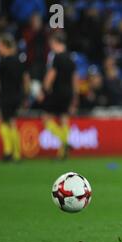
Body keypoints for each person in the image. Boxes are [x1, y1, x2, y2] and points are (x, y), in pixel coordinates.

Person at [0, 33, 30, 162]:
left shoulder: (1, 61)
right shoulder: (19, 60)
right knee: (12, 122)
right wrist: (26, 96)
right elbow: (26, 79)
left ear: (4, 46)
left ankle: (8, 151)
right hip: (17, 96)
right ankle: (16, 154)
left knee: (1, 119)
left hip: (5, 95)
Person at [37, 31, 78, 159]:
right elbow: (75, 78)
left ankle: (64, 142)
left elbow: (51, 75)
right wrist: (75, 96)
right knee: (64, 118)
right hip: (68, 92)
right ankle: (62, 153)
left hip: (56, 92)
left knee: (45, 118)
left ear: (55, 42)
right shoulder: (71, 57)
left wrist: (44, 90)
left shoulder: (56, 57)